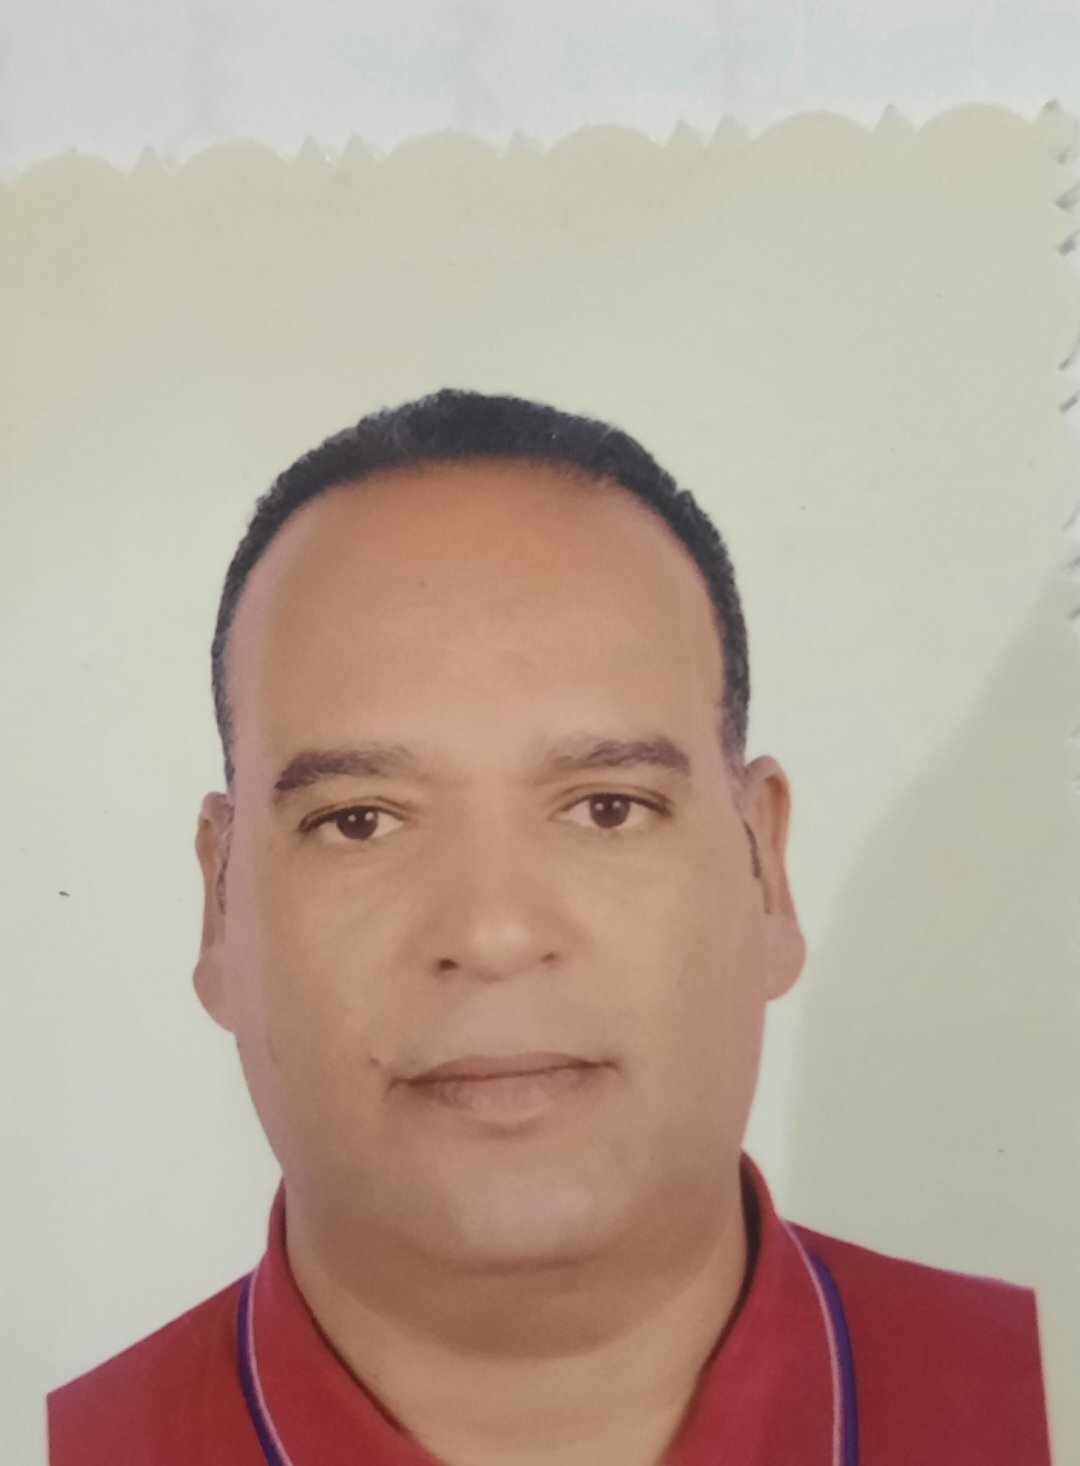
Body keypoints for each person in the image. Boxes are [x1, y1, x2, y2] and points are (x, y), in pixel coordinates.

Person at [47, 389, 1051, 1465]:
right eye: (360, 820)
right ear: (221, 904)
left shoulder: (1037, 1399)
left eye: (606, 807)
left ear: (766, 871)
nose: (492, 933)